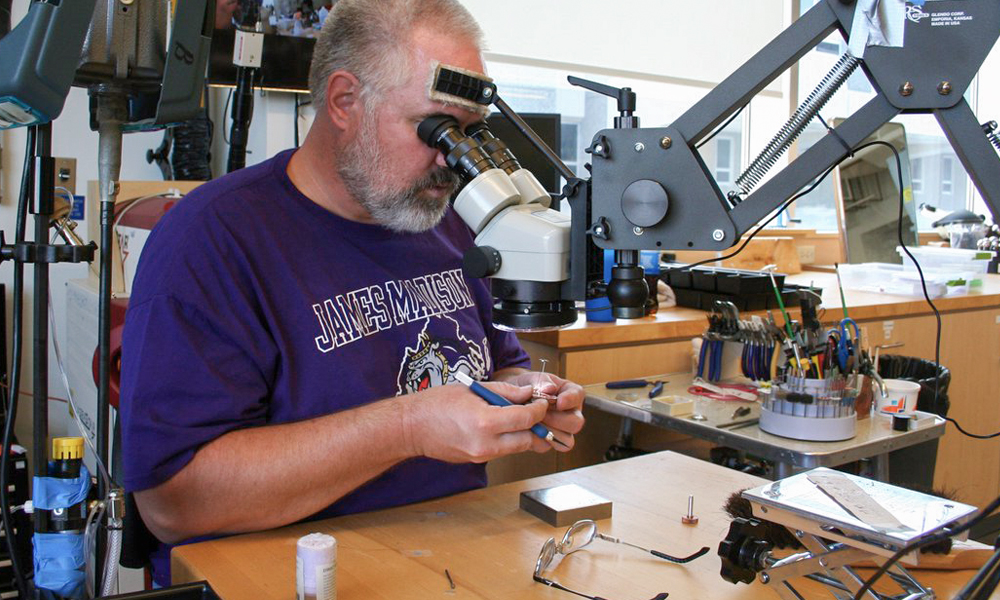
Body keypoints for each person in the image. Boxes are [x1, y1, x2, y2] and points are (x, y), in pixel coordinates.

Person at [119, 0, 586, 588]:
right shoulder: (211, 241)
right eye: (435, 128)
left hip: (445, 565)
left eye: (467, 134)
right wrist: (410, 426)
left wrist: (526, 394)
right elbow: (172, 504)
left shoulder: (449, 221)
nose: (453, 160)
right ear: (345, 102)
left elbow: (500, 365)